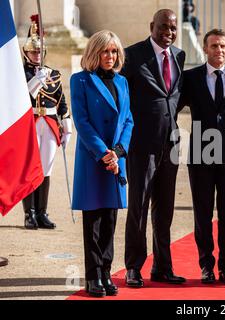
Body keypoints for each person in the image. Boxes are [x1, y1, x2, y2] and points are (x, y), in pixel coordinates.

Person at [122, 9, 186, 287]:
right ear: (152, 26)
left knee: (165, 209)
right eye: (163, 27)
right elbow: (121, 97)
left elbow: (174, 97)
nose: (168, 33)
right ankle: (133, 267)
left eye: (172, 28)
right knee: (139, 206)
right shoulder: (132, 55)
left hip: (170, 144)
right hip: (141, 145)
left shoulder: (180, 56)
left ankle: (162, 266)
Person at [178, 29, 225, 285]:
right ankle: (206, 266)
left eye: (223, 46)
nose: (219, 50)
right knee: (203, 213)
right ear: (205, 49)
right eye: (215, 46)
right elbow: (171, 106)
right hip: (201, 154)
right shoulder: (191, 78)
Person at [70, 30, 134, 297]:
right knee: (93, 221)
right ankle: (93, 276)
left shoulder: (122, 82)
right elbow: (81, 122)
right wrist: (104, 153)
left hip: (115, 161)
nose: (110, 56)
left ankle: (107, 272)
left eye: (114, 51)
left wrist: (118, 152)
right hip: (93, 160)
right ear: (94, 52)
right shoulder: (80, 80)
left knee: (110, 220)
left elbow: (129, 119)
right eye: (106, 51)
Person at [21, 14, 72, 230]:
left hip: (49, 123)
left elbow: (61, 103)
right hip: (30, 123)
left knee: (46, 169)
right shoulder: (21, 74)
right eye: (33, 51)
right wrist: (35, 80)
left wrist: (67, 125)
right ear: (26, 52)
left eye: (39, 51)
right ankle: (29, 213)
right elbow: (22, 97)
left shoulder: (55, 74)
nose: (37, 55)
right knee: (29, 168)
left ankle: (42, 212)